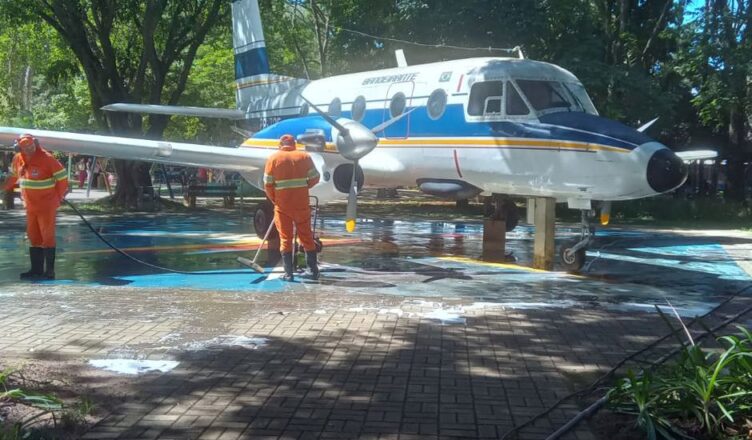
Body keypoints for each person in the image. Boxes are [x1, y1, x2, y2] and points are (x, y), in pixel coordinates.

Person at [3, 134, 68, 280]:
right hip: (30, 205)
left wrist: (57, 198)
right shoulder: (18, 159)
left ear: (36, 143)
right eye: (25, 147)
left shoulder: (47, 159)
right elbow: (13, 177)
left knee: (47, 236)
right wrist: (2, 187)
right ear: (18, 148)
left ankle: (49, 271)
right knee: (33, 236)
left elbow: (63, 180)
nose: (29, 149)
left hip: (46, 205)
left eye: (31, 145)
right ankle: (36, 270)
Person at [263, 134, 320, 281]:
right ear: (294, 144)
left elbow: (267, 185)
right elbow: (315, 178)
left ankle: (288, 274)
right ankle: (313, 271)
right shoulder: (304, 157)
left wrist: (275, 199)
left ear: (280, 145)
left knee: (285, 239)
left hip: (283, 206)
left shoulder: (273, 159)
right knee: (306, 237)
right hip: (301, 204)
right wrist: (304, 187)